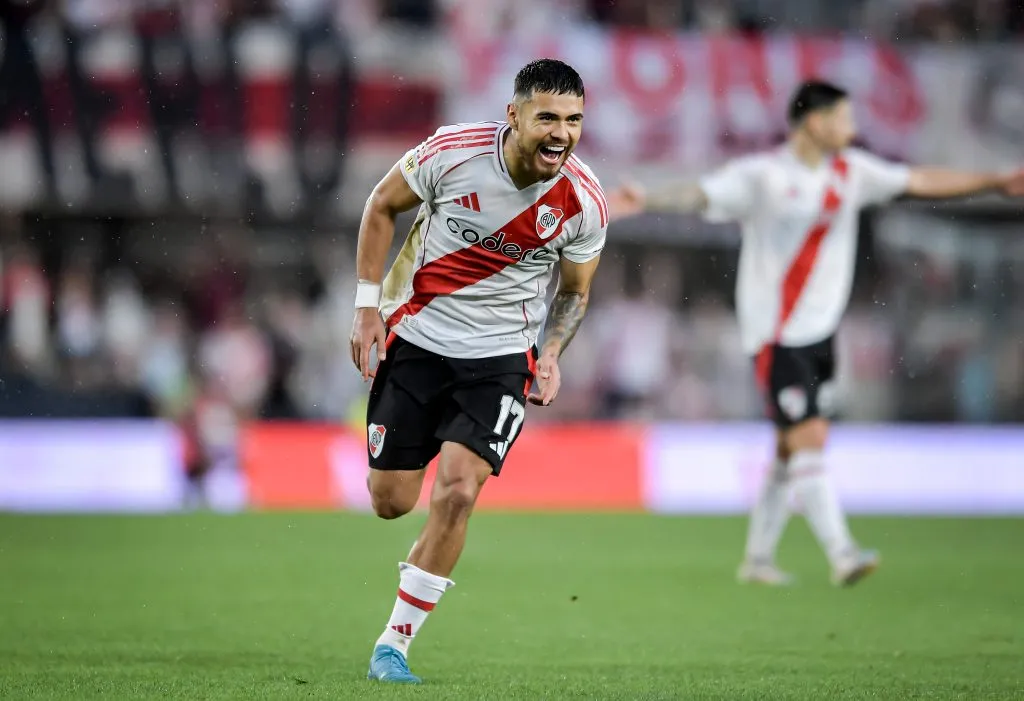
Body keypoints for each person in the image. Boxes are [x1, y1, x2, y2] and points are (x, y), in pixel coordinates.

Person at [608, 80, 1024, 587]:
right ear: (814, 121)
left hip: (822, 334)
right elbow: (700, 195)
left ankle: (757, 560)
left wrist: (994, 182)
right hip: (778, 334)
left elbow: (918, 180)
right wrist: (647, 197)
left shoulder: (853, 174)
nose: (852, 128)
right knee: (809, 439)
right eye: (843, 118)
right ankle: (842, 552)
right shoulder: (763, 176)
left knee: (790, 448)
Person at [349, 58, 607, 683]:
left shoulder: (584, 202)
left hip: (498, 360)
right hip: (416, 339)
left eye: (573, 121)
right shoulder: (453, 152)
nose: (561, 133)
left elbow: (574, 293)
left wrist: (550, 354)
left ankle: (395, 644)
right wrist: (365, 310)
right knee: (391, 502)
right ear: (513, 115)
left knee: (459, 494)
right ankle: (419, 556)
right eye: (547, 117)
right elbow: (382, 205)